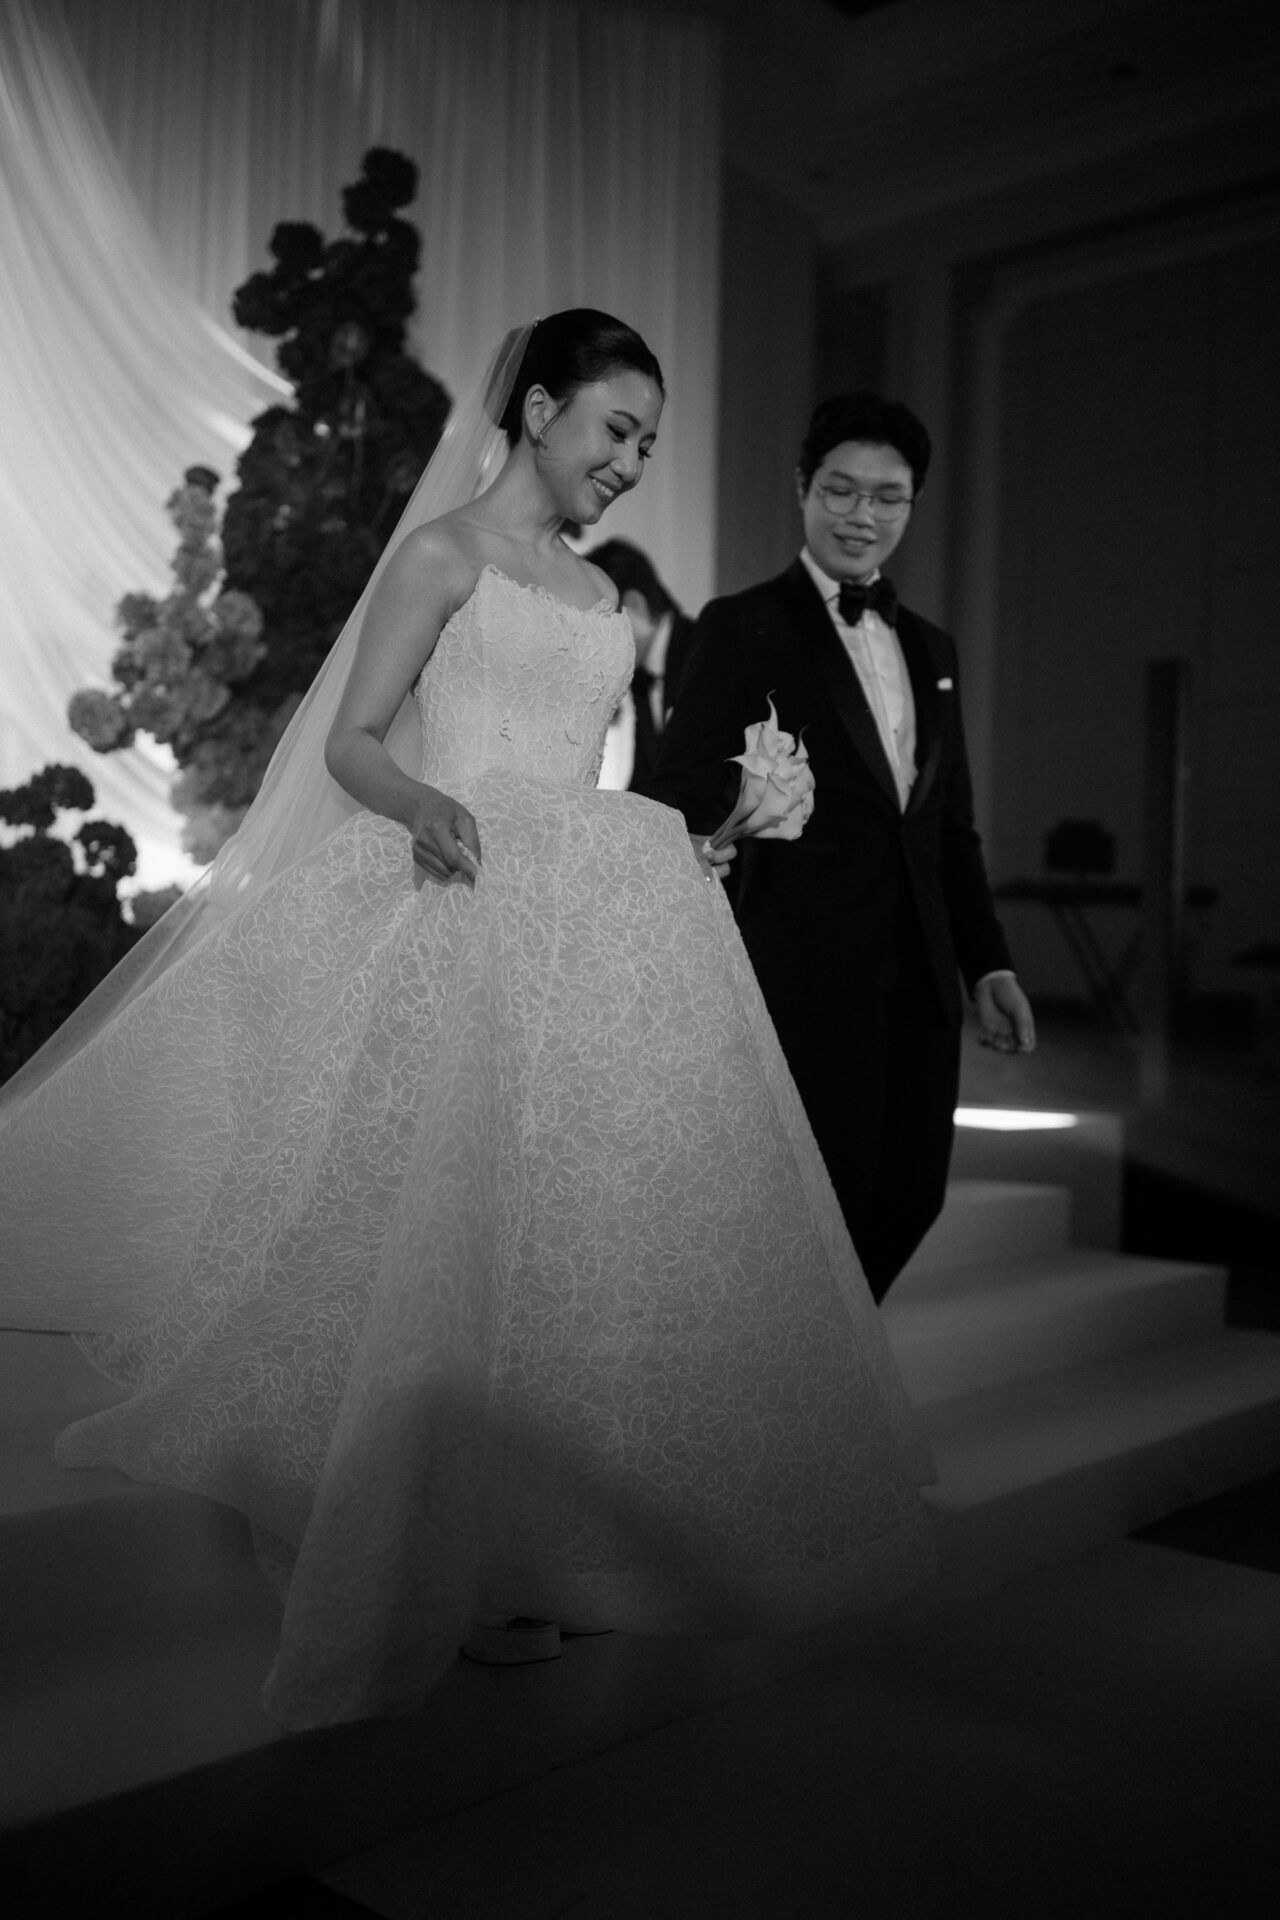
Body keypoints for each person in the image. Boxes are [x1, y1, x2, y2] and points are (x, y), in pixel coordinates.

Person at [0, 320, 934, 1731]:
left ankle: (523, 1533)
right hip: (453, 896)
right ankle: (397, 1506)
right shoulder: (443, 556)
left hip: (573, 925)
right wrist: (427, 805)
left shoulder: (611, 608)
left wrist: (696, 843)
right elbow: (353, 738)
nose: (629, 464)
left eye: (646, 445)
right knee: (424, 1215)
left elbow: (586, 784)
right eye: (615, 431)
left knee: (560, 1230)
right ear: (541, 407)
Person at [655, 392, 1035, 1302]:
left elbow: (948, 827)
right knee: (810, 1210)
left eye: (888, 497)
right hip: (806, 973)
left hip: (922, 980)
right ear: (801, 487)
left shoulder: (932, 646)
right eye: (841, 490)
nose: (863, 516)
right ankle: (793, 1400)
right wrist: (739, 812)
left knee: (910, 1196)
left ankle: (819, 1384)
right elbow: (681, 789)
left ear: (912, 504)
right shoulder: (742, 623)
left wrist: (988, 966)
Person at [582, 538, 695, 797]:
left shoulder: (702, 652)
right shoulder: (643, 676)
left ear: (634, 604)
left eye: (598, 623)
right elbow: (646, 781)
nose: (593, 643)